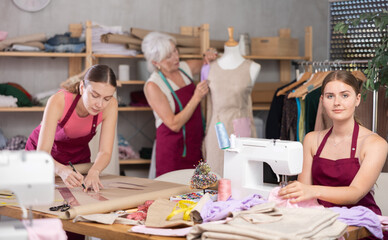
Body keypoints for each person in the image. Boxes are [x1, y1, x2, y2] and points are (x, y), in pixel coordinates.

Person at [279, 70, 388, 216]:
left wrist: (313, 191)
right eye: (330, 96)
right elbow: (303, 193)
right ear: (322, 100)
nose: (337, 103)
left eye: (345, 95)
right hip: (320, 220)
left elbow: (354, 193)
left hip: (360, 225)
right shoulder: (311, 140)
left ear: (357, 99)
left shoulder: (375, 144)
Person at [26, 64, 118, 193]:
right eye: (94, 95)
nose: (100, 104)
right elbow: (42, 153)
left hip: (77, 161)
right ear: (82, 88)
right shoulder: (58, 101)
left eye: (106, 98)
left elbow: (105, 152)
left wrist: (94, 171)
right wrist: (61, 170)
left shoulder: (111, 105)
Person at [142, 31, 217, 177]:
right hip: (173, 152)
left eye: (175, 51)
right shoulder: (153, 85)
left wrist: (210, 55)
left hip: (195, 146)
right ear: (155, 62)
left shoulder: (184, 68)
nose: (176, 57)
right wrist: (196, 97)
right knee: (173, 196)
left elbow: (207, 62)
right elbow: (174, 124)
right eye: (168, 56)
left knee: (199, 193)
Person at [203, 33, 261, 176]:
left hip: (241, 127)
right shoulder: (208, 68)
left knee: (243, 176)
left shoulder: (252, 67)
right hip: (216, 129)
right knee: (216, 178)